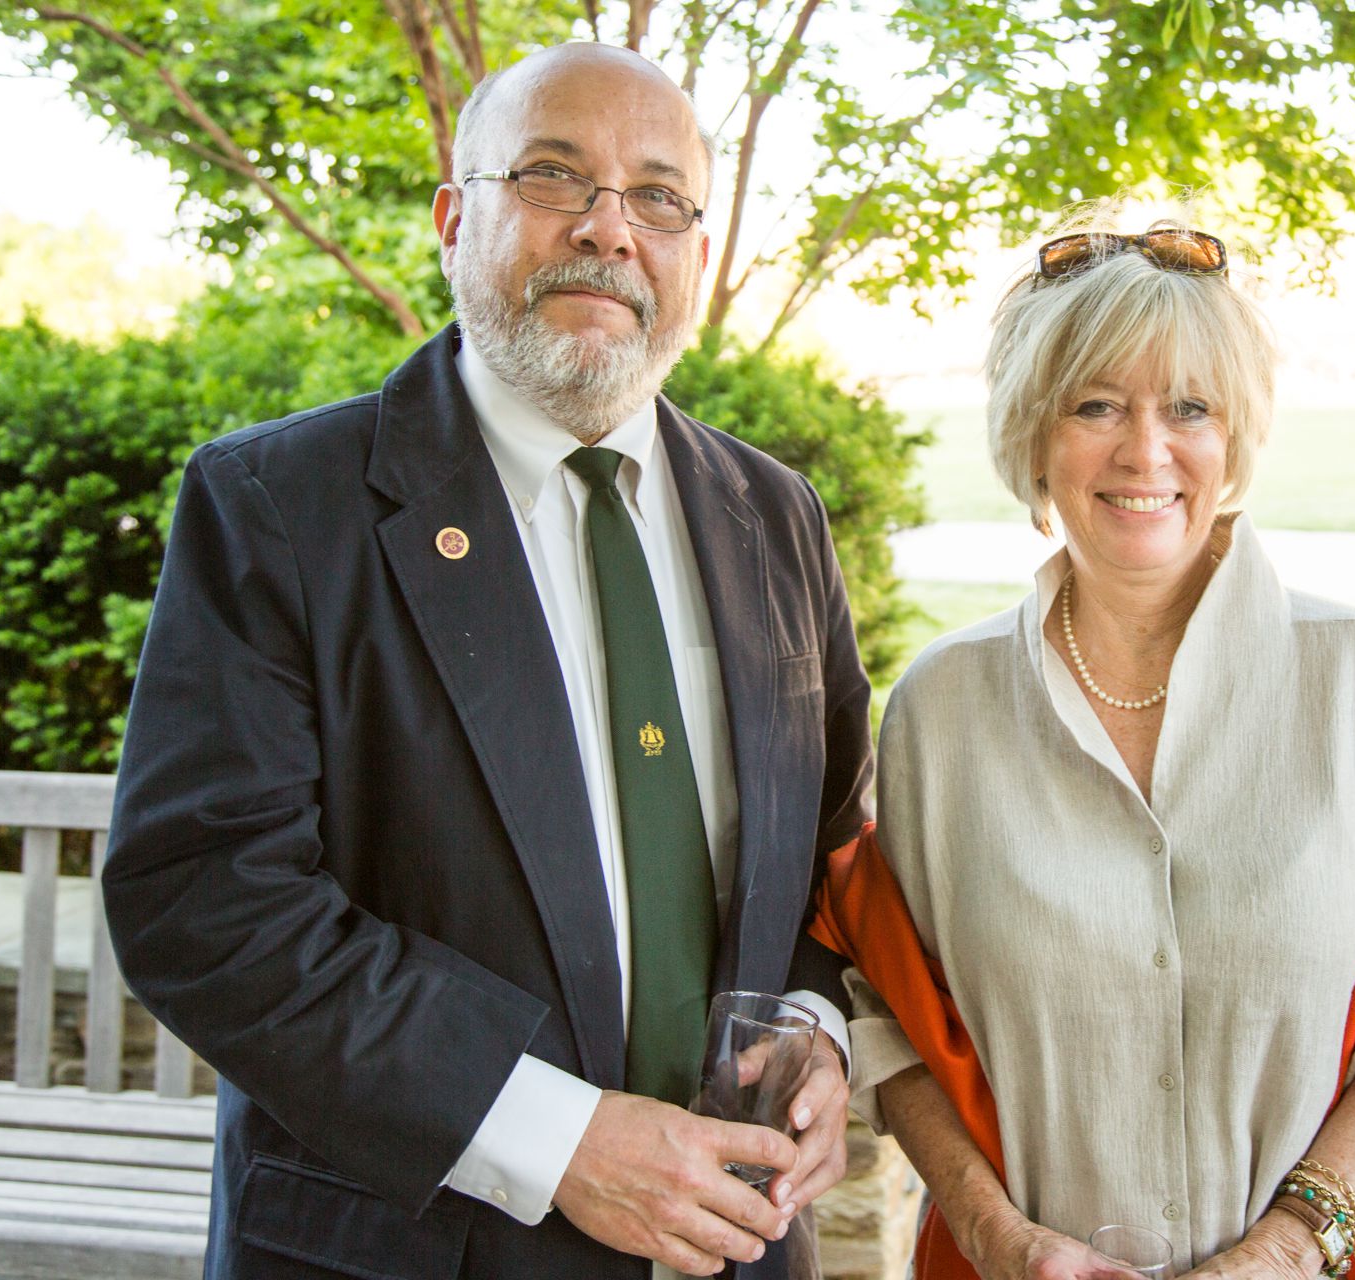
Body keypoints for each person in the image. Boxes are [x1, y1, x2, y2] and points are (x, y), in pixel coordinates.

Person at [102, 43, 871, 1280]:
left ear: (698, 257)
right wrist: (557, 1138)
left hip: (734, 1247)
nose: (610, 230)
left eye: (659, 197)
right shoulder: (280, 506)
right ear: (457, 219)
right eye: (556, 177)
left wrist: (815, 1032)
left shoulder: (774, 514)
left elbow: (828, 852)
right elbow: (203, 897)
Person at [810, 222, 1355, 1278]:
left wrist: (1285, 1249)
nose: (1145, 450)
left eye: (1187, 406)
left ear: (1232, 434)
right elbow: (893, 1018)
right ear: (1033, 432)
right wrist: (993, 1232)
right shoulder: (941, 708)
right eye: (1096, 404)